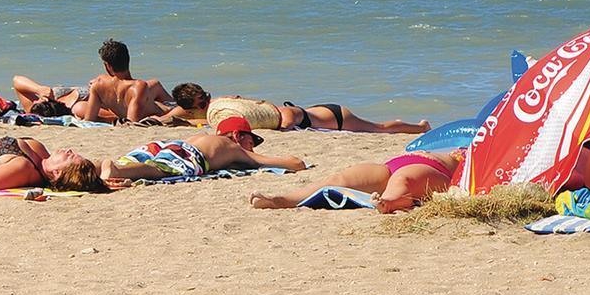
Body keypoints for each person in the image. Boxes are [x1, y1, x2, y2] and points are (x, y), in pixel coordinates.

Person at [249, 148, 465, 213]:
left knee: (403, 178)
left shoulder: (474, 150)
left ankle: (389, 202)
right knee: (337, 179)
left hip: (434, 171)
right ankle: (281, 200)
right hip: (390, 165)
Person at [101, 117, 307, 183]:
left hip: (167, 144)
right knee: (158, 170)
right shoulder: (234, 148)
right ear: (237, 135)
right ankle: (117, 170)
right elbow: (294, 164)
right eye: (251, 141)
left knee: (135, 161)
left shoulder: (205, 138)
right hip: (188, 154)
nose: (251, 146)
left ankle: (96, 167)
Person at [12, 40, 172, 122]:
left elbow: (89, 120)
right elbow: (132, 121)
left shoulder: (99, 83)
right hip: (158, 109)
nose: (38, 100)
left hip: (111, 96)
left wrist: (41, 90)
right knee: (161, 95)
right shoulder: (138, 86)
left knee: (156, 85)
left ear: (107, 66)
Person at [196, 88, 427, 135]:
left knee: (379, 129)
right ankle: (409, 125)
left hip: (336, 117)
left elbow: (290, 117)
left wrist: (284, 128)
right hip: (321, 113)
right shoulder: (274, 112)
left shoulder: (286, 115)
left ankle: (419, 127)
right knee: (378, 128)